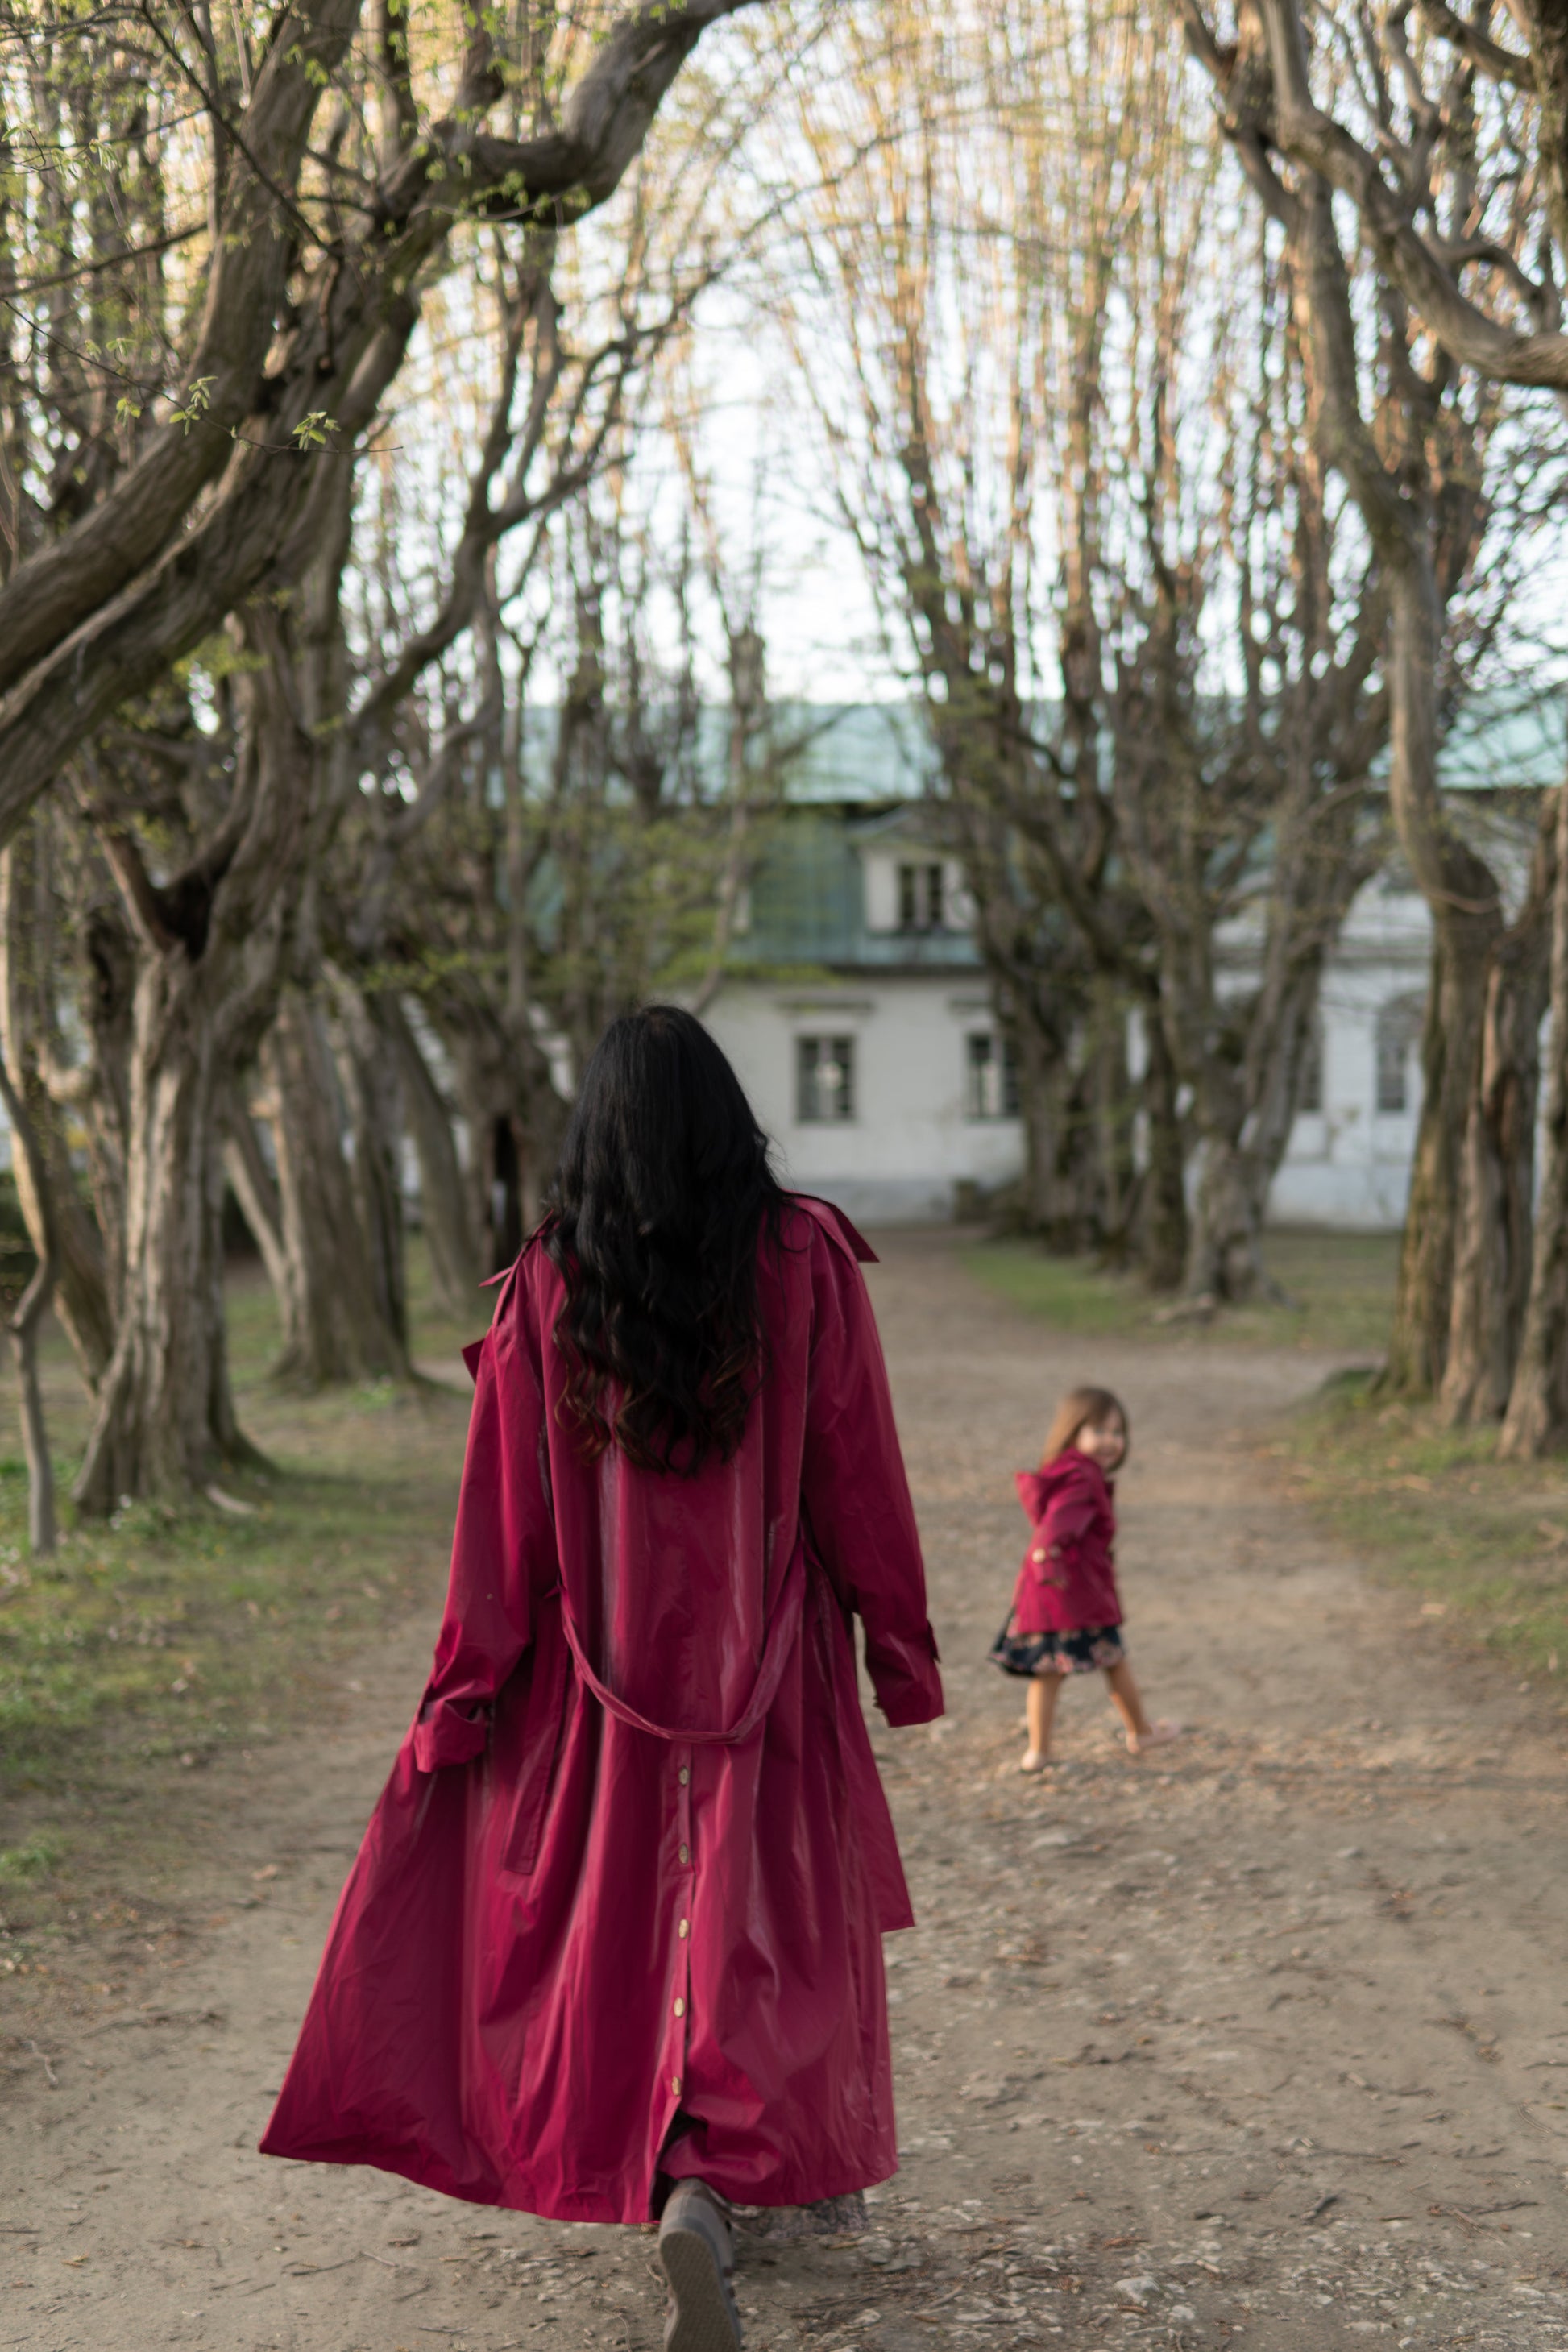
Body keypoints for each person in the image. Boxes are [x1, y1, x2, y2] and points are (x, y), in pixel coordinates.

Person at [259, 1006, 943, 2352]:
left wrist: (467, 1689)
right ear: (727, 1116)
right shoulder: (802, 1256)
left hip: (597, 1670)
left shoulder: (547, 1283)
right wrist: (896, 1647)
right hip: (767, 1659)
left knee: (626, 1913)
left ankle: (670, 2169)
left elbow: (500, 1519)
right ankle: (726, 2172)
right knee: (761, 1916)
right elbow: (856, 1469)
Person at [988, 1383, 1180, 1774]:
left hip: (1051, 1595)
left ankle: (1037, 1753)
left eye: (1117, 1432)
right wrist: (1048, 1561)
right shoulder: (1081, 1479)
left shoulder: (1066, 1471)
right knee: (1114, 1662)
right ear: (1073, 1432)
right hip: (1077, 1594)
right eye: (1099, 1431)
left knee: (1048, 1672)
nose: (1110, 1441)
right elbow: (1057, 1527)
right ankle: (1140, 1732)